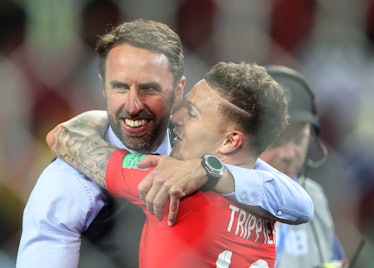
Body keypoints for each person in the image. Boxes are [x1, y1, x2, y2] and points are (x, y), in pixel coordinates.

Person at [16, 20, 312, 268]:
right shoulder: (66, 182)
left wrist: (206, 171)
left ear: (178, 89)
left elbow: (298, 200)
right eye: (120, 87)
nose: (133, 105)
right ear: (103, 87)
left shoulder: (199, 162)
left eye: (148, 88)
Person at [47, 61, 293, 267]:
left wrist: (119, 116)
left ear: (230, 140)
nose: (176, 118)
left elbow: (62, 137)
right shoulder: (268, 208)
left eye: (193, 113)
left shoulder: (172, 185)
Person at [259, 65, 347, 268]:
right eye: (277, 140)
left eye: (299, 139)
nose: (290, 154)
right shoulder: (223, 197)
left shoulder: (313, 198)